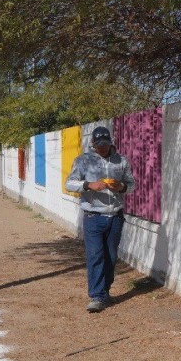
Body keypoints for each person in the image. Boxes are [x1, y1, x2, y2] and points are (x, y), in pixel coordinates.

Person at [65, 127, 136, 313]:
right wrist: (89, 185)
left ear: (110, 143)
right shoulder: (83, 161)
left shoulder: (121, 162)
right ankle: (97, 296)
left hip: (115, 217)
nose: (103, 148)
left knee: (111, 257)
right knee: (96, 256)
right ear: (93, 145)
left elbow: (132, 185)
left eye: (105, 145)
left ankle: (104, 291)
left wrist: (120, 187)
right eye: (99, 145)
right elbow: (69, 183)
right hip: (93, 217)